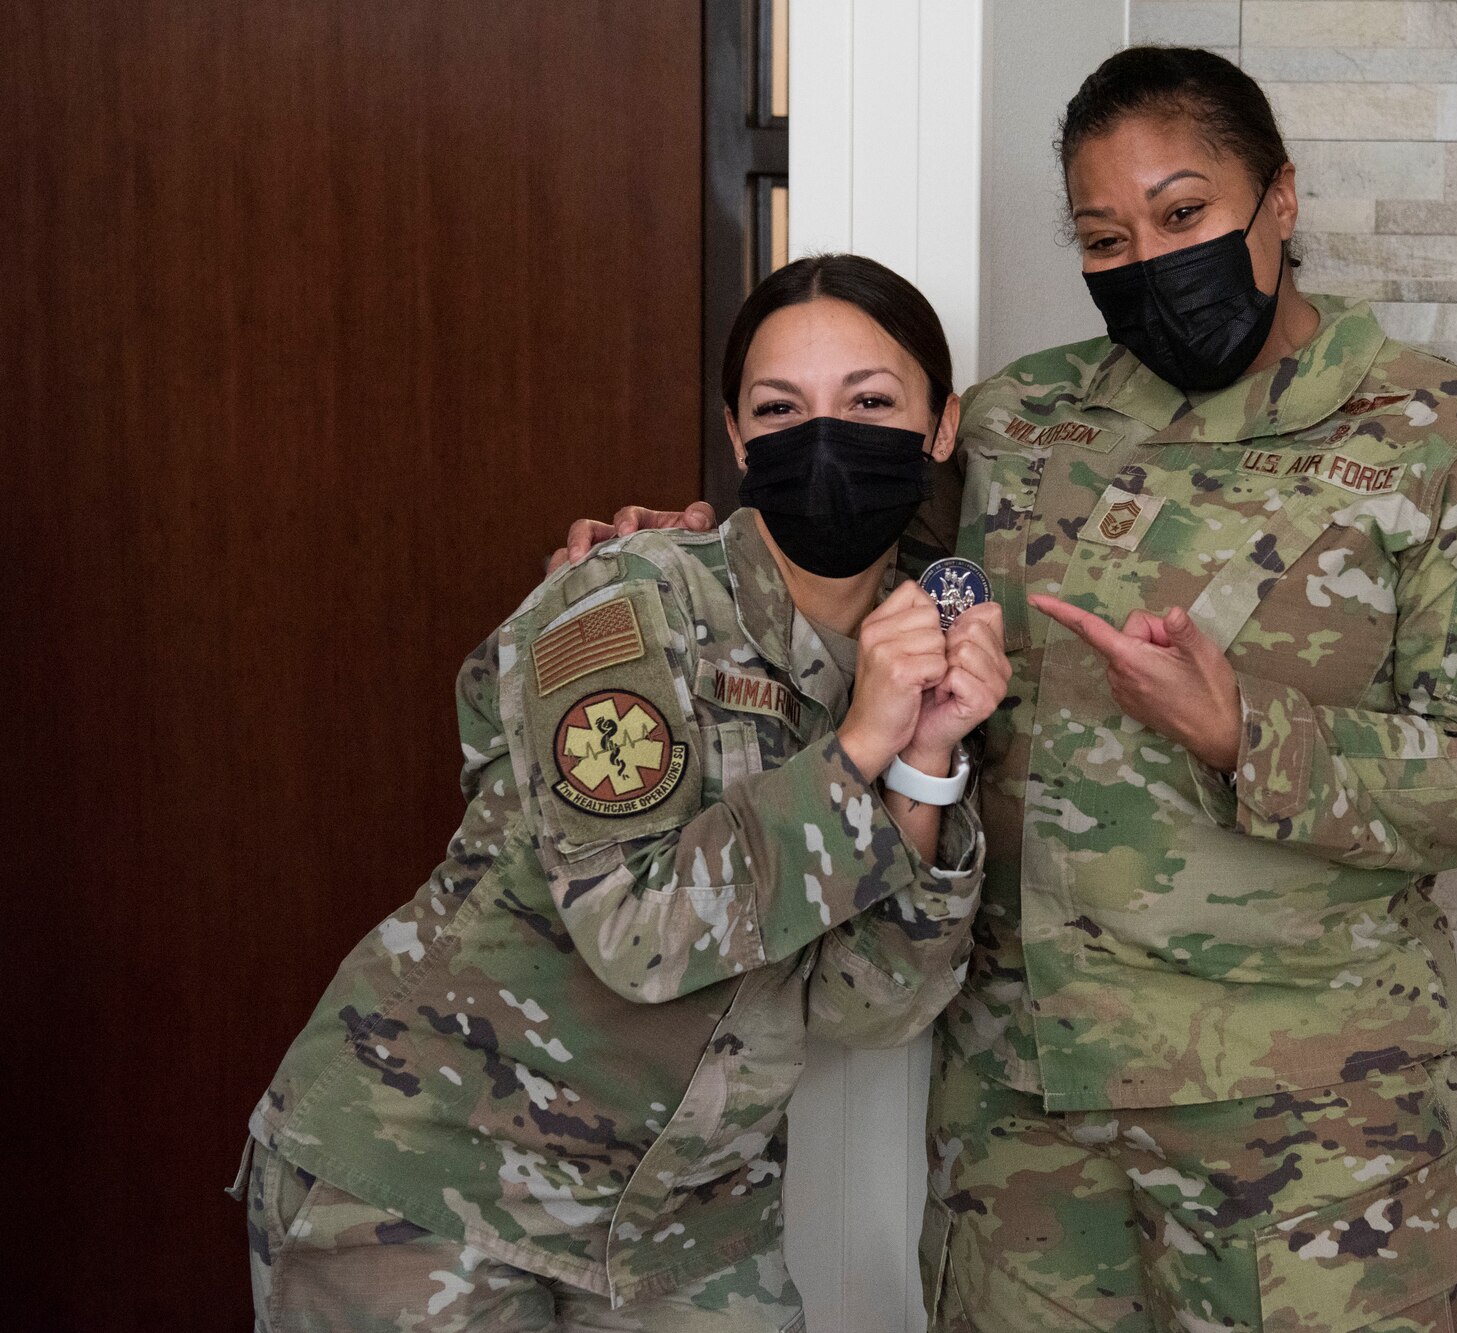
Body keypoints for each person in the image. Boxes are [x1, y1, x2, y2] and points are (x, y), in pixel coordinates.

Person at [563, 48, 1457, 1333]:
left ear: (1277, 201)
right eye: (1104, 236)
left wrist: (1245, 734)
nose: (1148, 260)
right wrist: (672, 554)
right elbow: (826, 561)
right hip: (1021, 1114)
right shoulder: (1015, 424)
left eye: (1182, 215)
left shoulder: (1438, 439)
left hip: (1311, 1121)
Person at [237, 253, 1011, 1332]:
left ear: (939, 426)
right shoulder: (624, 601)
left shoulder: (911, 644)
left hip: (680, 1219)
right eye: (780, 409)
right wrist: (858, 744)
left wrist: (923, 758)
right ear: (738, 440)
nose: (824, 436)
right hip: (432, 1178)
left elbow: (867, 1006)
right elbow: (637, 931)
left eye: (870, 402)